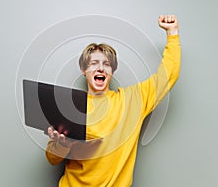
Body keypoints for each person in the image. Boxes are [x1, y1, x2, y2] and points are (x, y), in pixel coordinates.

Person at [45, 14, 181, 187]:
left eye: (106, 64)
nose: (100, 68)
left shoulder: (133, 100)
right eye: (94, 63)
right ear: (84, 70)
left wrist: (172, 34)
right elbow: (52, 159)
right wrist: (62, 144)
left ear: (112, 71)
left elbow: (168, 75)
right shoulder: (71, 107)